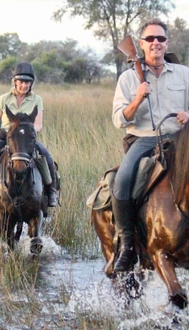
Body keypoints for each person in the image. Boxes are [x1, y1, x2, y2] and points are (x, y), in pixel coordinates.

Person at [112, 18, 189, 272]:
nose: (156, 43)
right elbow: (118, 120)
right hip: (145, 140)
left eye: (161, 39)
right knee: (122, 180)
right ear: (141, 44)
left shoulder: (184, 74)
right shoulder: (128, 78)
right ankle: (126, 246)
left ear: (167, 44)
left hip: (181, 138)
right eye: (150, 39)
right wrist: (137, 99)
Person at [0, 62, 58, 208]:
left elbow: (38, 124)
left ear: (31, 83)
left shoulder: (37, 100)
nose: (24, 85)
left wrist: (31, 131)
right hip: (7, 137)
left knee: (46, 155)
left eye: (27, 82)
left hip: (27, 139)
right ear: (15, 82)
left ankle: (51, 190)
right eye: (21, 82)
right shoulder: (3, 99)